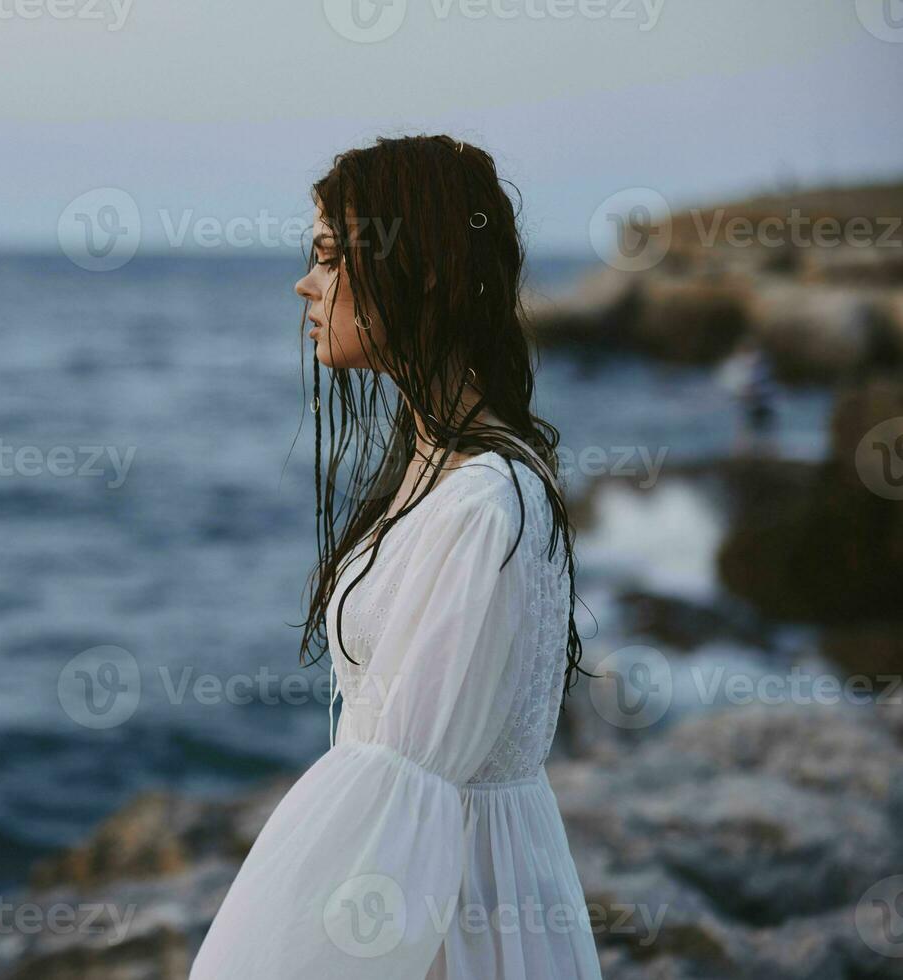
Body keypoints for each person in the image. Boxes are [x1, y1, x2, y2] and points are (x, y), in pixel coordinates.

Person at [189, 135, 603, 979]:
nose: (307, 284)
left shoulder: (482, 501)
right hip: (465, 886)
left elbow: (402, 793)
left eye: (332, 257)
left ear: (425, 273)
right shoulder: (444, 471)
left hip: (458, 916)